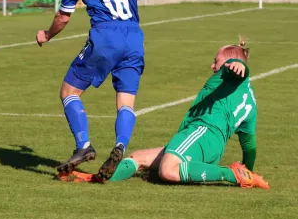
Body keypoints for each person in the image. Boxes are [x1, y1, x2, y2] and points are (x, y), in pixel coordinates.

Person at [36, 0, 173, 181]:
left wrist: (46, 34)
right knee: (126, 101)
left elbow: (63, 17)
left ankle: (84, 145)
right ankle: (120, 145)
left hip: (105, 36)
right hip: (133, 36)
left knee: (69, 91)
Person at [65, 40, 269, 189]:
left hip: (201, 132)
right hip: (211, 145)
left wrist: (240, 66)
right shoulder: (250, 102)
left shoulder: (231, 75)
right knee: (138, 158)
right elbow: (249, 145)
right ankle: (97, 179)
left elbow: (239, 71)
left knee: (168, 170)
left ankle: (230, 174)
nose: (212, 66)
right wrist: (248, 169)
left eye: (216, 62)